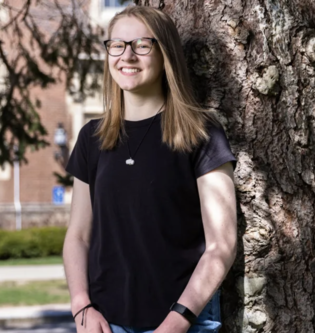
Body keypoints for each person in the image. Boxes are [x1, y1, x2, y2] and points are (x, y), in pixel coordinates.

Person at [63, 5, 237, 333]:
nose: (127, 56)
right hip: (105, 322)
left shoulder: (201, 135)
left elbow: (221, 247)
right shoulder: (91, 139)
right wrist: (81, 306)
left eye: (142, 45)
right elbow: (78, 236)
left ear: (165, 53)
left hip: (186, 321)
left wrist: (177, 322)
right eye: (117, 45)